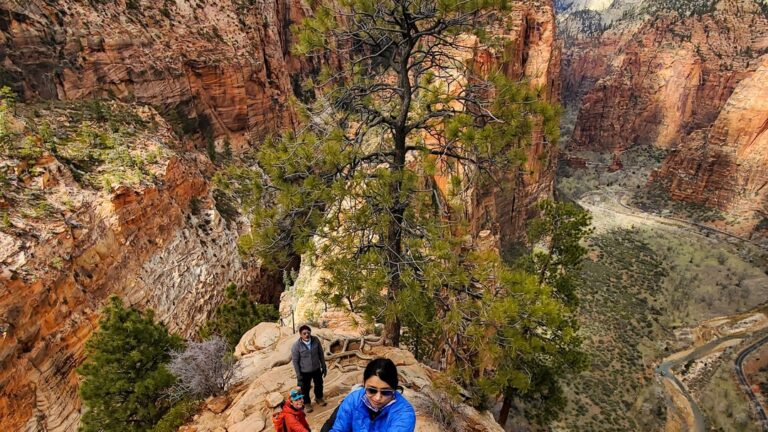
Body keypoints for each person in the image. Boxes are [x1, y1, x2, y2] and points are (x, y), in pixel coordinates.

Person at [328, 357, 416, 432]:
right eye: (372, 390)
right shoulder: (353, 400)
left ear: (394, 388)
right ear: (363, 383)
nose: (378, 398)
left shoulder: (404, 414)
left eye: (386, 392)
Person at [291, 325, 327, 412]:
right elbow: (295, 361)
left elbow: (320, 353)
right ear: (300, 334)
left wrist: (323, 365)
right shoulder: (296, 346)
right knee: (305, 388)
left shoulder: (315, 340)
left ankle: (319, 398)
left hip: (316, 368)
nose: (307, 335)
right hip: (304, 371)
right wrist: (299, 375)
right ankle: (307, 403)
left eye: (308, 333)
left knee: (319, 384)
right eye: (304, 333)